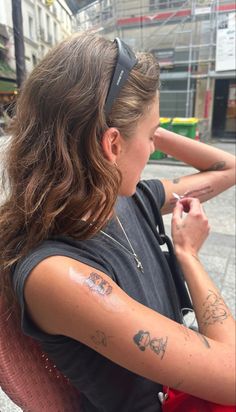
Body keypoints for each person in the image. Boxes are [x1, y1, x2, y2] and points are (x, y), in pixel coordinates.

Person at [0, 32, 235, 412]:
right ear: (112, 145)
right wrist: (188, 254)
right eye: (151, 134)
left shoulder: (125, 197)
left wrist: (141, 122)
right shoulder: (57, 273)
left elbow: (227, 168)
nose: (155, 145)